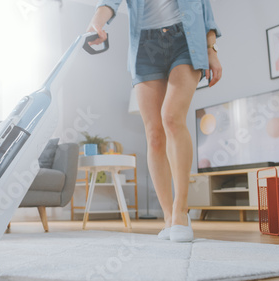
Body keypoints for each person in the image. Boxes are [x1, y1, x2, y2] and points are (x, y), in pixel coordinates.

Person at [87, 0, 222, 242]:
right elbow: (109, 2)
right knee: (154, 134)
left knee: (171, 117)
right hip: (145, 45)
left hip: (186, 38)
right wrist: (95, 24)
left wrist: (212, 49)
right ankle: (169, 216)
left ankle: (181, 212)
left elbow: (205, 8)